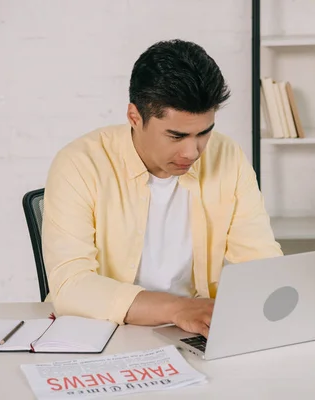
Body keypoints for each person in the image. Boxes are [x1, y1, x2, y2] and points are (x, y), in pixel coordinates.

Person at [41, 39, 282, 338]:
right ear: (134, 117)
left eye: (204, 133)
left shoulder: (226, 155)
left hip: (195, 330)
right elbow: (70, 286)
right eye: (176, 135)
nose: (192, 152)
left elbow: (261, 260)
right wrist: (177, 309)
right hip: (105, 332)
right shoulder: (79, 164)